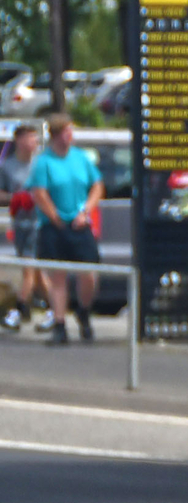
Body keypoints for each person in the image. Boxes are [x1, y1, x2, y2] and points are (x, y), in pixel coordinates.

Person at [28, 114, 102, 345]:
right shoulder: (44, 161)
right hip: (54, 226)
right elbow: (39, 193)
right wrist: (56, 217)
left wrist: (86, 211)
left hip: (80, 224)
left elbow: (97, 186)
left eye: (72, 132)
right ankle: (60, 325)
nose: (70, 136)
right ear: (57, 135)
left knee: (88, 274)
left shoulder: (81, 158)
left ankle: (84, 311)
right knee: (58, 277)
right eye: (66, 132)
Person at [2, 121, 43, 329]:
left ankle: (18, 310)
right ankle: (53, 307)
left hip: (40, 224)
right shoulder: (7, 166)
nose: (33, 142)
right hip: (20, 224)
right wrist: (15, 198)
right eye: (29, 138)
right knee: (36, 271)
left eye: (35, 138)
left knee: (29, 268)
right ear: (19, 140)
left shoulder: (41, 164)